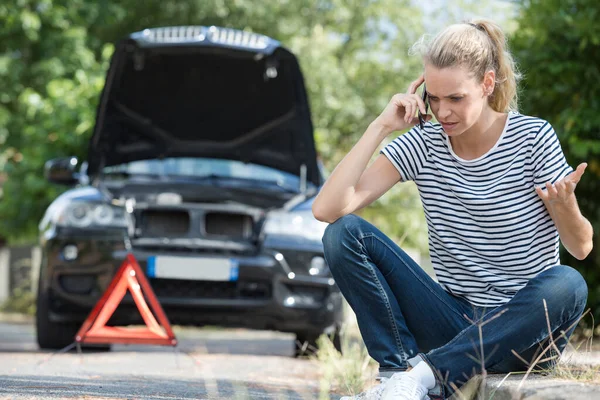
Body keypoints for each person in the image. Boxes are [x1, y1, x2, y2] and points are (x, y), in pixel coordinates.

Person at [312, 18, 593, 400]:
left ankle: (424, 374)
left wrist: (565, 206)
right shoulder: (425, 144)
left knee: (569, 283)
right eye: (434, 97)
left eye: (455, 98)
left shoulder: (532, 138)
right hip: (453, 322)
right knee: (343, 234)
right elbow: (328, 209)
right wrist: (381, 125)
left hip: (522, 334)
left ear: (487, 84)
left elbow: (581, 248)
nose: (443, 112)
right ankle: (399, 376)